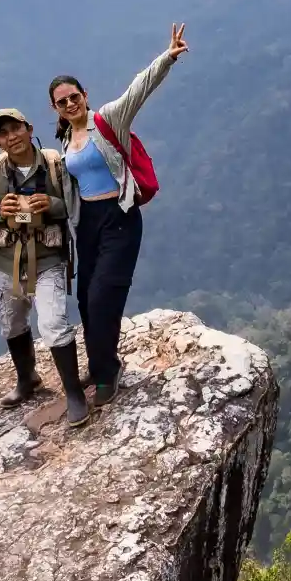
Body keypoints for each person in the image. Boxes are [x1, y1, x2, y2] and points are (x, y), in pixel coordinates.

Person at [48, 23, 188, 406]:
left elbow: (139, 89)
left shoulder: (108, 119)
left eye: (74, 97)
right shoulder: (66, 139)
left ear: (85, 95)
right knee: (85, 299)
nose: (70, 104)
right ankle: (99, 362)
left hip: (119, 217)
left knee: (102, 297)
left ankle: (108, 373)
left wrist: (168, 57)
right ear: (55, 108)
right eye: (62, 102)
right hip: (87, 223)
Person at [0, 109, 90, 425]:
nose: (11, 137)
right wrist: (0, 212)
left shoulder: (54, 164)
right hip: (7, 261)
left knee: (52, 323)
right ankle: (27, 379)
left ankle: (74, 393)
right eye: (3, 133)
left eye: (16, 128)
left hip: (47, 259)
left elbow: (76, 204)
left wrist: (51, 204)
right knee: (11, 322)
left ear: (29, 129)